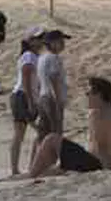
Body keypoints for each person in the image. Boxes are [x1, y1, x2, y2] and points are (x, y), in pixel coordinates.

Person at [26, 30, 73, 178]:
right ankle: (53, 165)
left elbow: (39, 82)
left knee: (43, 134)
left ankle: (35, 165)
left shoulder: (41, 58)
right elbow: (53, 79)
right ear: (51, 43)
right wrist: (59, 101)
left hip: (43, 97)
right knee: (55, 133)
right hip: (52, 99)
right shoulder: (53, 58)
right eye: (60, 41)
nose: (63, 44)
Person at [7, 30, 45, 177]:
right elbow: (26, 79)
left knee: (26, 133)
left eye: (42, 38)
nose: (41, 41)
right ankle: (19, 169)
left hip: (25, 96)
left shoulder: (35, 57)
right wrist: (31, 102)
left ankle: (28, 166)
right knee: (25, 133)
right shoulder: (29, 56)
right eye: (38, 38)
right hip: (22, 96)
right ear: (30, 41)